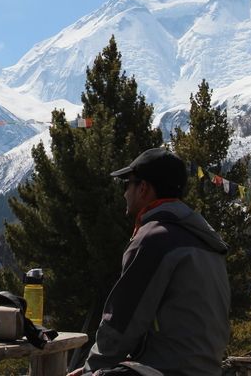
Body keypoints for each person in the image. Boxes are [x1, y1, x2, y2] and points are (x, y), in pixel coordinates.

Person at [73, 147, 231, 376]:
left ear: (143, 188)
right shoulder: (203, 238)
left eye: (127, 184)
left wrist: (92, 370)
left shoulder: (154, 239)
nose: (124, 193)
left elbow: (120, 324)